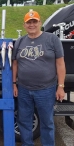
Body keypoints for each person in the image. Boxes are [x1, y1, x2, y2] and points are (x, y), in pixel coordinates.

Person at [12, 10, 66, 146]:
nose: (31, 25)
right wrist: (14, 84)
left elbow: (60, 64)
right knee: (24, 121)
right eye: (28, 22)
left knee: (47, 122)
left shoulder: (52, 39)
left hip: (46, 89)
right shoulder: (20, 41)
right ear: (24, 25)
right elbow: (15, 64)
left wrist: (61, 86)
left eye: (34, 21)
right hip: (24, 89)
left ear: (40, 23)